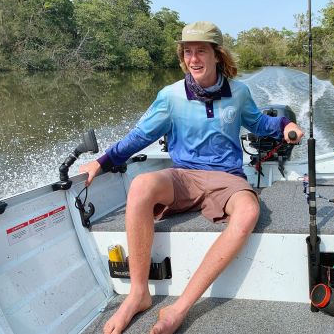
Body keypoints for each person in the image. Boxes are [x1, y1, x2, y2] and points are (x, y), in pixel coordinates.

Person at [79, 21, 304, 334]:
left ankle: (179, 309)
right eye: (188, 52)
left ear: (216, 55)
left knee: (249, 211)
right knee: (142, 184)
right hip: (183, 176)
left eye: (201, 51)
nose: (193, 58)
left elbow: (260, 124)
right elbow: (140, 136)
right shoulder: (170, 96)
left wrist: (285, 128)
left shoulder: (239, 92)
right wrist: (101, 162)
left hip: (227, 178)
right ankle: (138, 293)